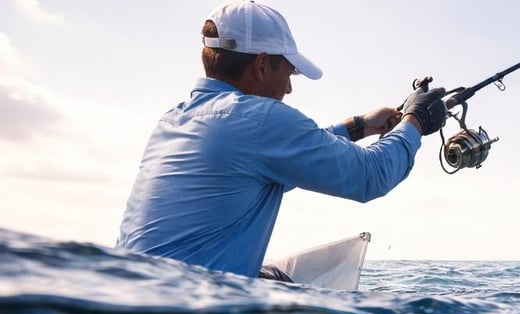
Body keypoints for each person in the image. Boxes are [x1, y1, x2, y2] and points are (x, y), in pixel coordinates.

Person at [116, 1, 448, 280]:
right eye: (288, 73)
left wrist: (359, 127)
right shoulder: (259, 119)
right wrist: (416, 121)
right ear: (261, 65)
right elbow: (370, 175)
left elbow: (281, 160)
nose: (288, 89)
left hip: (134, 297)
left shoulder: (173, 120)